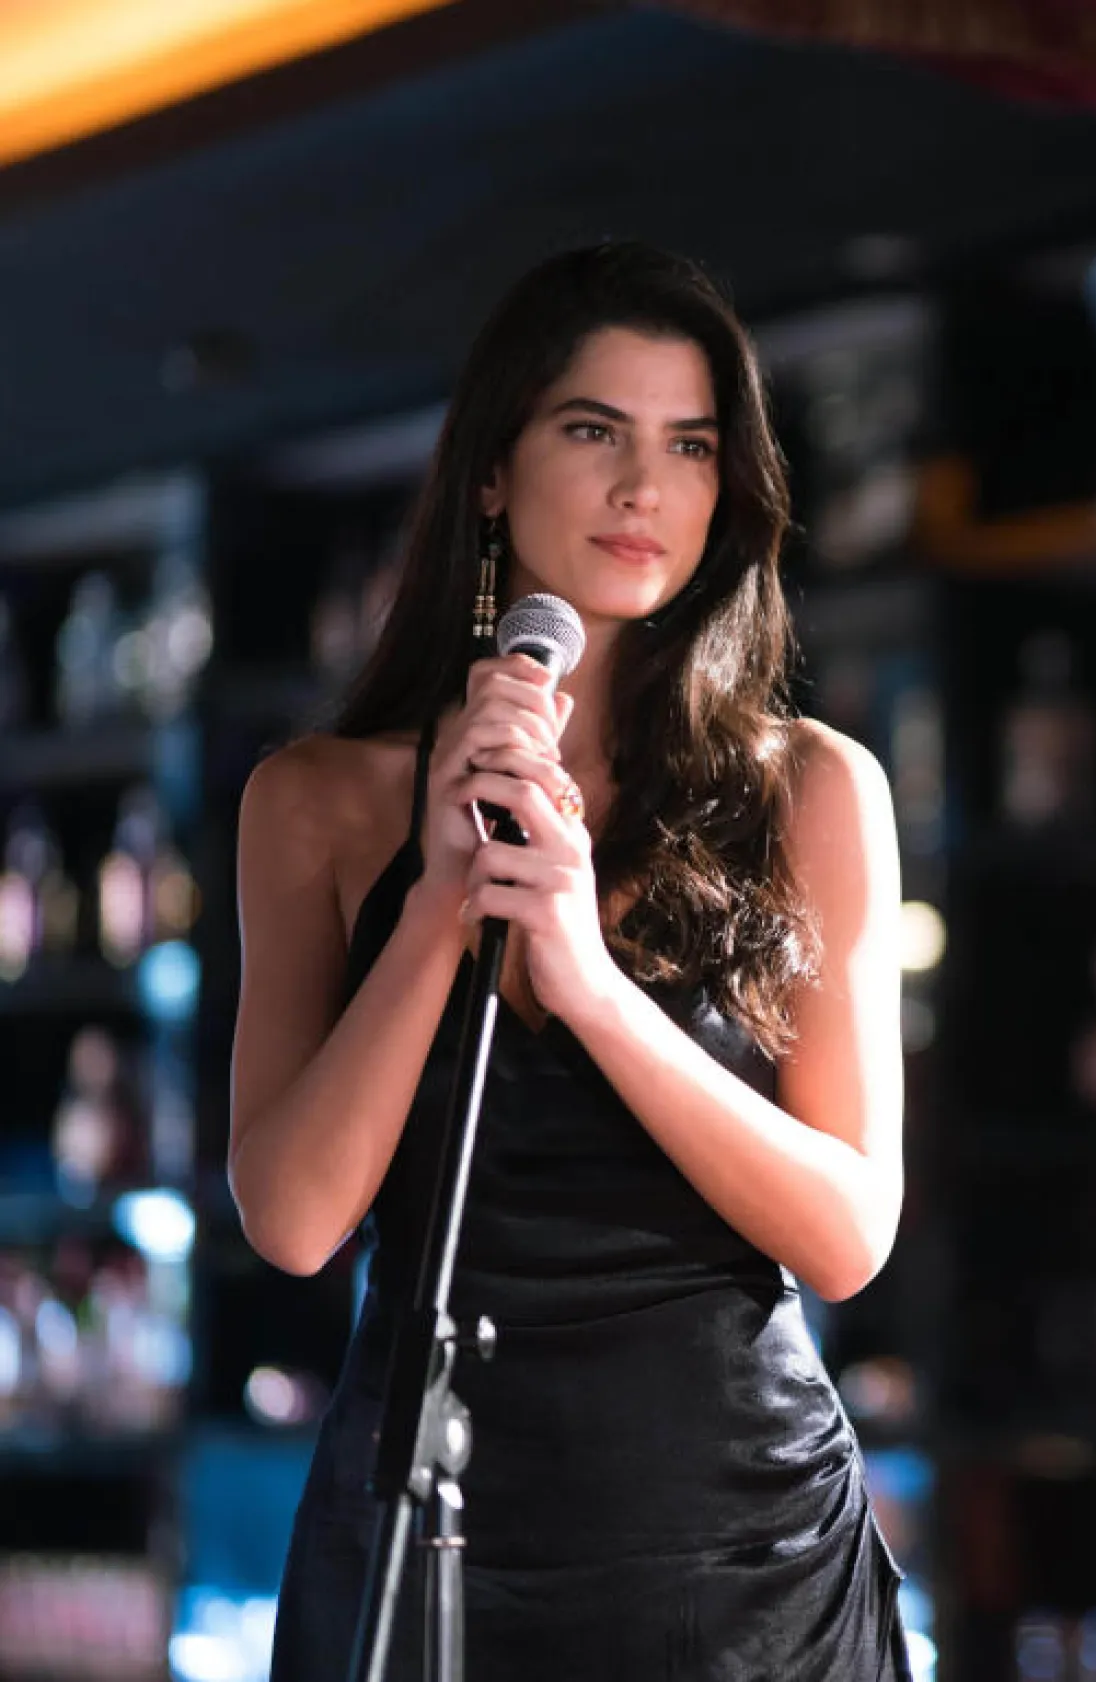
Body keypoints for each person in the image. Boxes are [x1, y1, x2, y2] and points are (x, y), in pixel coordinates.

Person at [231, 240, 911, 1681]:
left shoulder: (812, 789)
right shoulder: (318, 801)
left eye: (690, 445)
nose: (642, 487)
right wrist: (441, 902)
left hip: (743, 1575)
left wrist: (591, 985)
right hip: (416, 1551)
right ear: (493, 469)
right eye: (595, 431)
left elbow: (849, 1234)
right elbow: (291, 1219)